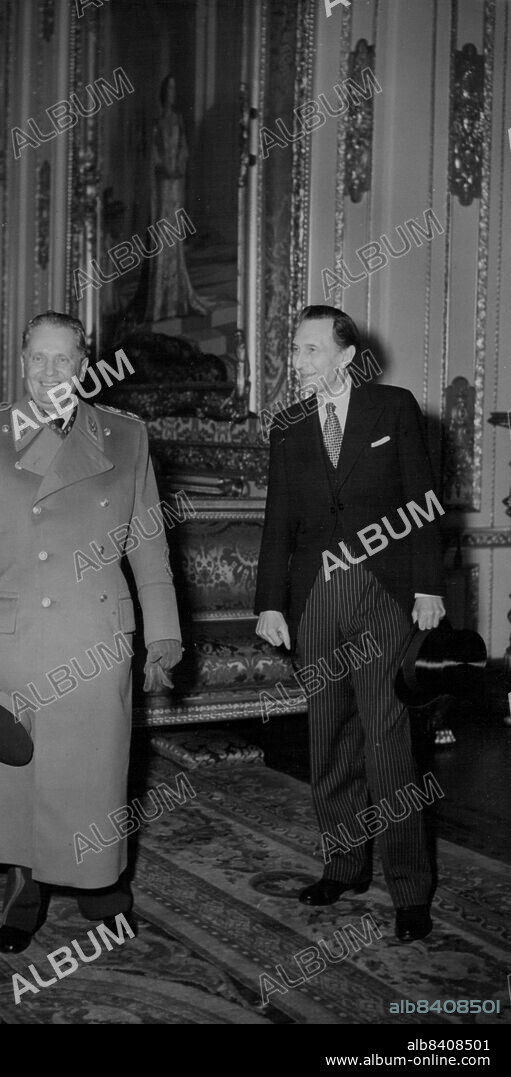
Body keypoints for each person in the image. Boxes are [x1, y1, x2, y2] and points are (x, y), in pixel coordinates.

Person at [0, 310, 182, 954]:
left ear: (84, 364)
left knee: (94, 774)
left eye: (63, 359)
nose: (50, 371)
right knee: (17, 776)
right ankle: (23, 896)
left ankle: (102, 888)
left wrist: (162, 631)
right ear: (22, 361)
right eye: (38, 358)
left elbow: (149, 543)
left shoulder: (126, 435)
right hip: (13, 634)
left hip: (96, 632)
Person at [254, 304, 445, 943]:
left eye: (310, 350)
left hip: (383, 592)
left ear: (345, 356)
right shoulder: (288, 425)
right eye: (295, 350)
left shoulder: (393, 409)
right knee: (328, 732)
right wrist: (270, 602)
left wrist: (428, 588)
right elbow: (278, 518)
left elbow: (422, 502)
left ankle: (410, 891)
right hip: (314, 598)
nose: (298, 361)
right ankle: (343, 866)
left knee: (387, 736)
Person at [144, 73, 207, 322]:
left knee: (174, 233)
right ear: (163, 92)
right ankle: (161, 300)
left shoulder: (178, 119)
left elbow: (183, 149)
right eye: (168, 89)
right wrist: (164, 168)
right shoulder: (157, 121)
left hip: (175, 184)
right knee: (163, 232)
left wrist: (178, 167)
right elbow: (153, 154)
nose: (172, 93)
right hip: (162, 185)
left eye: (174, 89)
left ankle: (177, 294)